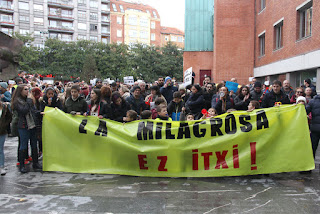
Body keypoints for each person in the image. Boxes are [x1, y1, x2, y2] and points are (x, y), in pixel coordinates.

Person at [11, 84, 42, 173]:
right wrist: (29, 101)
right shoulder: (17, 101)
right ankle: (22, 165)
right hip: (24, 126)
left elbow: (33, 111)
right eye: (25, 89)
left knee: (34, 144)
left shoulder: (29, 100)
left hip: (32, 125)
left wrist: (39, 113)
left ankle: (35, 163)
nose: (27, 91)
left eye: (28, 89)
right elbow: (23, 110)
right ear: (20, 91)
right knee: (23, 145)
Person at [306, 94, 320, 159]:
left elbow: (305, 111)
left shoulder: (312, 101)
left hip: (314, 128)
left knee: (313, 148)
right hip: (315, 128)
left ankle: (310, 165)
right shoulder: (313, 101)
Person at [0, 101, 12, 175]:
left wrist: (4, 125)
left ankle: (1, 166)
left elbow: (9, 117)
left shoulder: (5, 107)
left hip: (2, 131)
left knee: (0, 149)